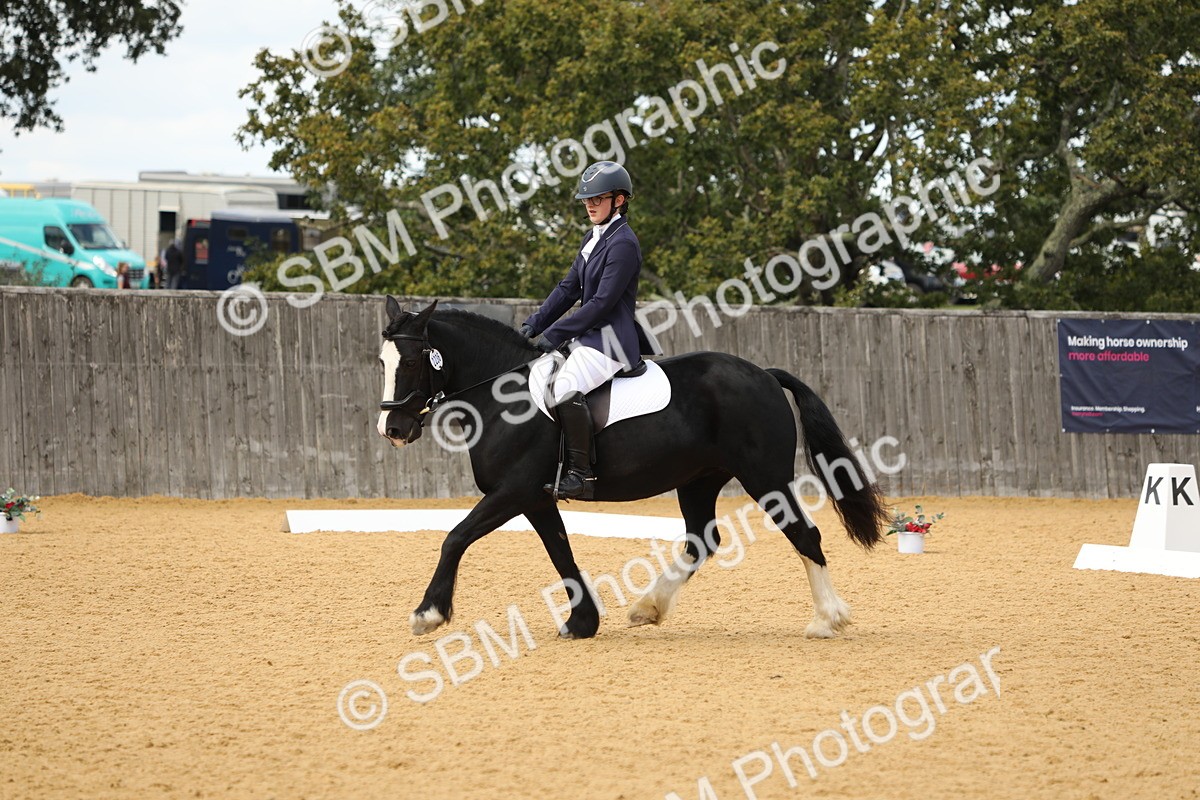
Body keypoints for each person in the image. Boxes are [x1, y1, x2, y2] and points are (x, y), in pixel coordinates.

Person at [519, 161, 660, 500]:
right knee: (542, 380)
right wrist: (532, 324)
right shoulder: (593, 238)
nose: (590, 204)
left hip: (611, 341)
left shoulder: (623, 243)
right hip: (588, 337)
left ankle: (580, 474)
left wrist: (553, 334)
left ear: (620, 200)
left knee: (565, 387)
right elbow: (568, 288)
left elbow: (601, 303)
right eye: (587, 199)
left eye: (598, 198)